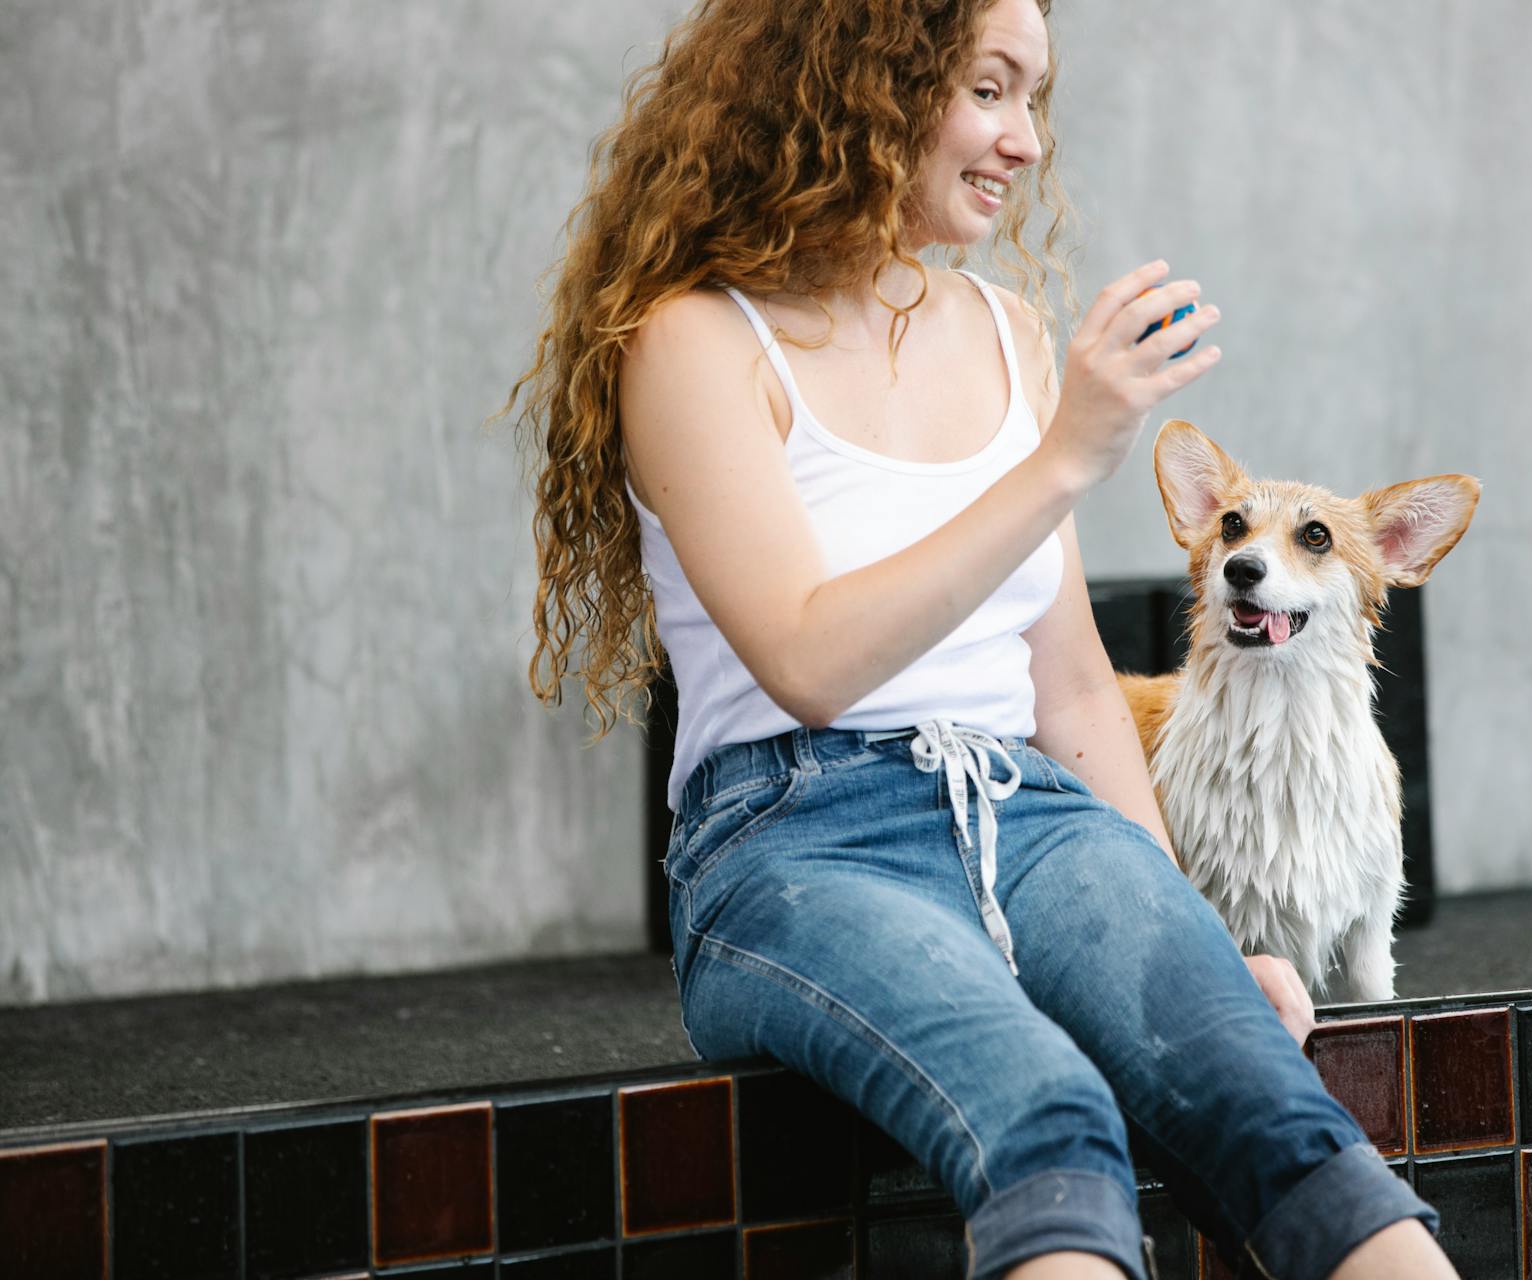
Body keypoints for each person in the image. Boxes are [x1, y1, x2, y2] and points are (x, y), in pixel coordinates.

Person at [509, 1, 1451, 1276]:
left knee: (1270, 1100)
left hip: (1033, 807)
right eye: (990, 90)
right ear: (864, 81)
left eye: (1036, 101)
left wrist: (1199, 934)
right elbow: (806, 655)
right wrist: (1064, 457)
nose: (1024, 142)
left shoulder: (1005, 334)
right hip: (795, 836)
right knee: (1047, 1114)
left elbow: (1067, 688)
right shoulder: (694, 339)